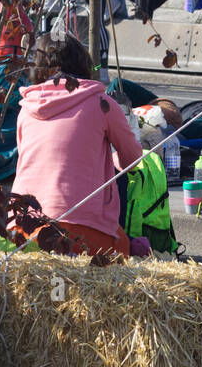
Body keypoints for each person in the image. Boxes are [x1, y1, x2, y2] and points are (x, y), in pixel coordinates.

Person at [10, 34, 147, 258]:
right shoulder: (102, 103)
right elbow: (132, 160)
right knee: (130, 249)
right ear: (82, 62)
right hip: (79, 229)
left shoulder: (26, 107)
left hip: (23, 229)